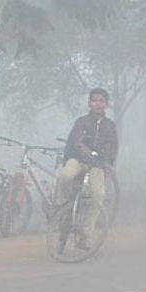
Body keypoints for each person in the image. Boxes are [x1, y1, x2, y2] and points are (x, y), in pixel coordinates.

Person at [57, 88, 119, 249]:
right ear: (89, 103)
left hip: (97, 166)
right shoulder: (81, 122)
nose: (98, 104)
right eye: (94, 100)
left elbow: (112, 148)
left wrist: (108, 164)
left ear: (106, 104)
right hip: (77, 160)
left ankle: (85, 235)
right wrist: (82, 149)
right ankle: (61, 209)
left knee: (99, 195)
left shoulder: (110, 126)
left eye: (101, 101)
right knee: (66, 175)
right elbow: (74, 142)